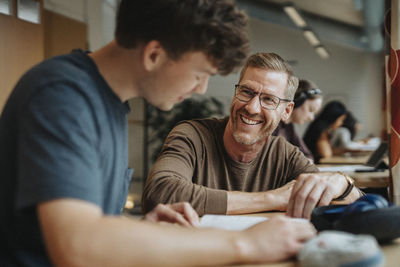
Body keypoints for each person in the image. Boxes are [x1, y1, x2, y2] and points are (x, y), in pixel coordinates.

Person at [0, 1, 317, 266]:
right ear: (154, 55)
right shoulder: (63, 98)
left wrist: (143, 230)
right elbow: (76, 246)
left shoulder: (108, 104)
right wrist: (244, 243)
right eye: (199, 74)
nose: (200, 89)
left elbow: (82, 224)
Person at [142, 52, 363, 219]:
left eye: (269, 99)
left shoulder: (284, 154)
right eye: (246, 92)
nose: (252, 107)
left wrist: (341, 183)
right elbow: (159, 193)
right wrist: (273, 198)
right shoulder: (192, 135)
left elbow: (360, 205)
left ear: (286, 111)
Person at [273, 79, 323, 161]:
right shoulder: (274, 126)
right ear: (297, 101)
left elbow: (308, 156)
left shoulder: (289, 127)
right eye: (310, 110)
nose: (311, 117)